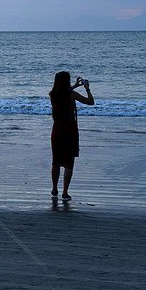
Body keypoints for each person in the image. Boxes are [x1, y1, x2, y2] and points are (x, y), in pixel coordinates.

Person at [49, 71, 94, 201]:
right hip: (70, 131)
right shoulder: (72, 95)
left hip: (56, 130)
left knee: (56, 160)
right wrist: (87, 89)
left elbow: (62, 91)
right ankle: (65, 192)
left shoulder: (53, 95)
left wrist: (74, 86)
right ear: (67, 82)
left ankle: (54, 189)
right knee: (69, 162)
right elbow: (91, 102)